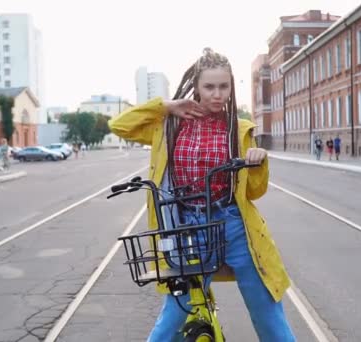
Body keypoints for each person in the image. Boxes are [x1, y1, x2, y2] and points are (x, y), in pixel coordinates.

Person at [108, 48, 295, 342]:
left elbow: (255, 192)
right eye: (209, 87)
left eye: (224, 86)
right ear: (196, 87)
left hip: (234, 226)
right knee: (173, 317)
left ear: (231, 88)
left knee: (267, 313)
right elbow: (119, 125)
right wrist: (166, 107)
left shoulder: (240, 130)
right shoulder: (170, 125)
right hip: (189, 230)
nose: (217, 94)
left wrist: (259, 163)